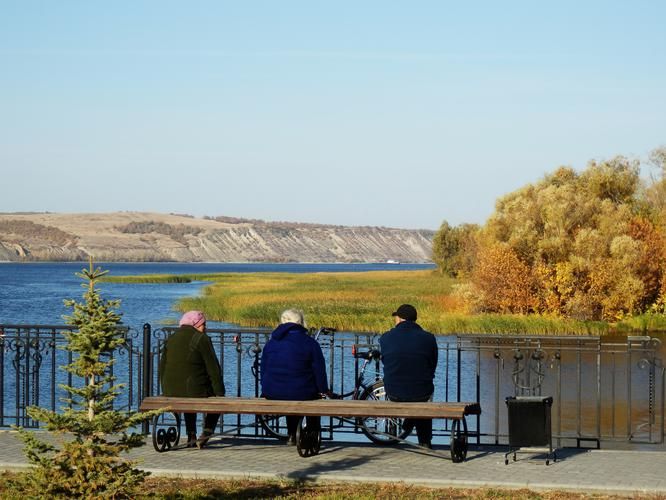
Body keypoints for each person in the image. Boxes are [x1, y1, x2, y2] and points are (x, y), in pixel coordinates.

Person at [260, 308, 329, 445]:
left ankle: (292, 434)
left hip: (272, 392)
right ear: (301, 323)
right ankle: (311, 433)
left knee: (290, 391)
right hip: (301, 392)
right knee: (307, 395)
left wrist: (266, 388)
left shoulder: (271, 343)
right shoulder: (310, 343)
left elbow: (263, 369)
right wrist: (323, 390)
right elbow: (319, 370)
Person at [159, 310, 225, 449]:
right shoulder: (202, 339)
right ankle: (206, 433)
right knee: (216, 399)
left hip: (170, 390)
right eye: (203, 324)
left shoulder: (171, 338)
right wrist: (220, 392)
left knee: (189, 392)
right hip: (194, 390)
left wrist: (164, 388)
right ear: (195, 324)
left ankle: (191, 434)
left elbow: (162, 366)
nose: (205, 327)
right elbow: (213, 368)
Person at [378, 304, 438, 448]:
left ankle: (409, 423)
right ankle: (424, 440)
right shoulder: (429, 338)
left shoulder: (385, 338)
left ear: (399, 319)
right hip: (421, 392)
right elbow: (432, 365)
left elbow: (385, 360)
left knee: (416, 395)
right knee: (423, 398)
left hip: (394, 392)